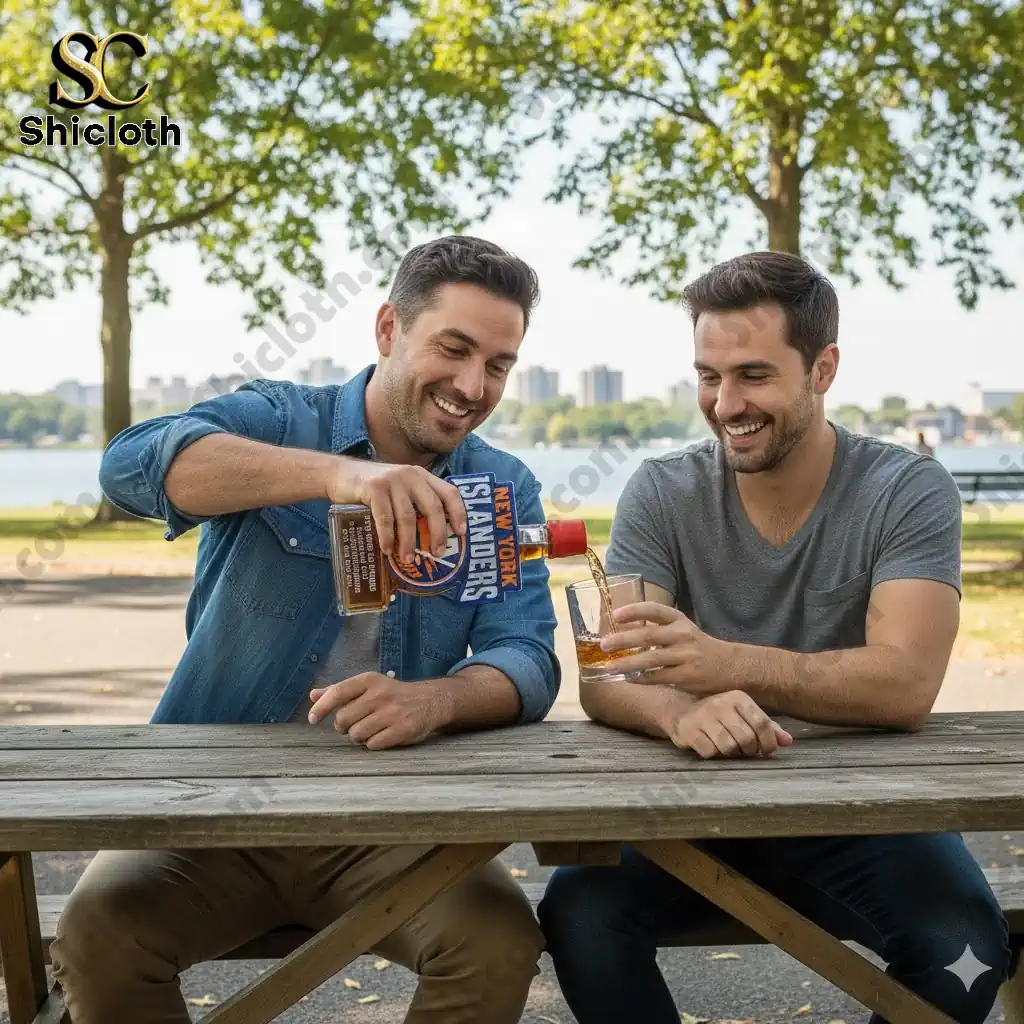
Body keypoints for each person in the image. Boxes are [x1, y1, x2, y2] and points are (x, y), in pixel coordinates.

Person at [51, 235, 559, 1024]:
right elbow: (130, 468)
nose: (472, 385)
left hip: (392, 818)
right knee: (98, 934)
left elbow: (525, 655)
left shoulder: (503, 485)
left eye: (497, 365)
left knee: (494, 939)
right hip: (213, 808)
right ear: (389, 328)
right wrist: (336, 475)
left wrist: (437, 701)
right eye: (453, 349)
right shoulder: (280, 417)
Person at [537, 251, 1013, 1024]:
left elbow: (904, 687)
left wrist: (726, 664)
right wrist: (677, 712)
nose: (726, 404)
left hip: (860, 811)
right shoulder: (662, 489)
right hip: (691, 805)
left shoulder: (905, 489)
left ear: (822, 369)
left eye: (753, 375)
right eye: (708, 376)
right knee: (578, 915)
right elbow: (610, 675)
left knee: (966, 946)